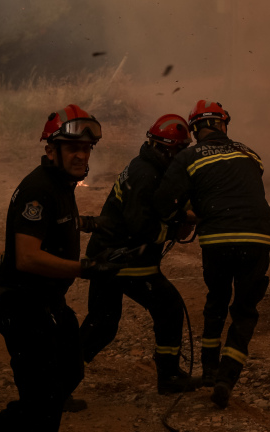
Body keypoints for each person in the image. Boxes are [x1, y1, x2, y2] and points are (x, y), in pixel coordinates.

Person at [0, 105, 122, 432]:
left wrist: (90, 223)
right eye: (73, 148)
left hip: (49, 304)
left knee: (69, 373)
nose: (81, 156)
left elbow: (56, 223)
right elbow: (27, 258)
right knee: (44, 406)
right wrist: (86, 268)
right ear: (50, 151)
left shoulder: (61, 184)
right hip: (24, 307)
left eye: (87, 149)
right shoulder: (39, 190)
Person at [154, 100, 270, 409]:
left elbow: (164, 200)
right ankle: (226, 377)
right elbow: (251, 182)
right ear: (224, 125)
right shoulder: (250, 153)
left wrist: (182, 216)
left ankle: (208, 370)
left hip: (218, 238)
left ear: (195, 130)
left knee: (217, 300)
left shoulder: (188, 156)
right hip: (259, 237)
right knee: (245, 310)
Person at [79, 114, 199, 394]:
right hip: (122, 257)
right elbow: (141, 226)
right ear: (165, 149)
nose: (183, 158)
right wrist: (177, 225)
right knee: (168, 305)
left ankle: (55, 383)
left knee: (102, 325)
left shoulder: (148, 166)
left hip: (111, 254)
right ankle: (168, 377)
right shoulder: (146, 175)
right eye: (180, 152)